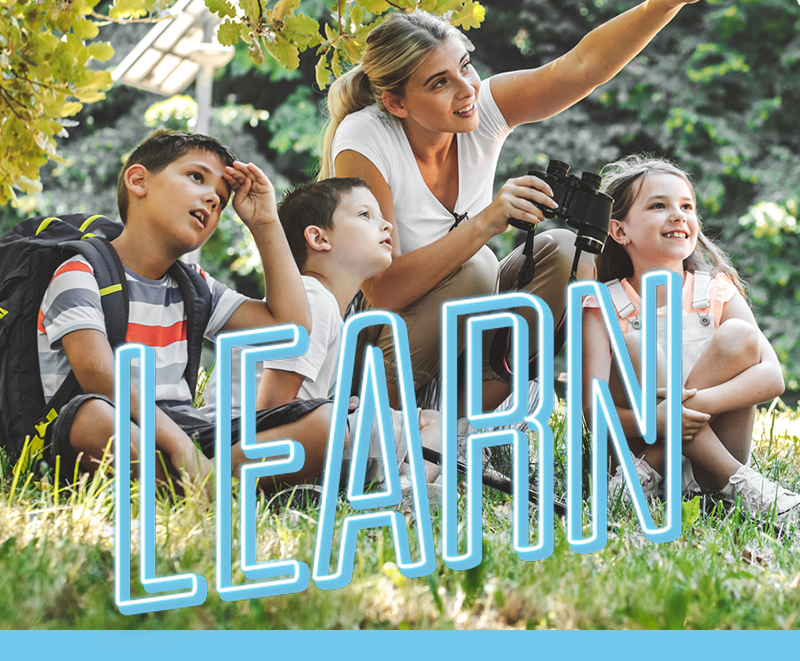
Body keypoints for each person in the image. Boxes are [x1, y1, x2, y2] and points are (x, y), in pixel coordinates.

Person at [320, 2, 702, 414]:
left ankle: (465, 426)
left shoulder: (478, 109)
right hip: (383, 350)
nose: (467, 89)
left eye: (465, 66)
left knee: (562, 251)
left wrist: (664, 4)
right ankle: (383, 427)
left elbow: (580, 67)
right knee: (478, 267)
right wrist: (485, 224)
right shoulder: (365, 138)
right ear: (397, 103)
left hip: (458, 343)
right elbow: (382, 289)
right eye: (439, 83)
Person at [37, 129, 333, 491]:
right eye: (196, 177)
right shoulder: (80, 272)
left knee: (327, 423)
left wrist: (265, 223)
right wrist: (180, 446)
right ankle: (215, 487)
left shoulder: (195, 288)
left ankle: (195, 485)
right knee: (94, 419)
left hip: (186, 431)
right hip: (111, 425)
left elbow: (290, 329)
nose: (211, 198)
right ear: (138, 180)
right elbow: (100, 375)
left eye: (221, 201)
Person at [581, 154, 800, 522]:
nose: (678, 214)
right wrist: (658, 421)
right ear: (620, 231)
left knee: (739, 336)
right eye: (658, 205)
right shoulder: (601, 304)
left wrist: (686, 412)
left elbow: (772, 378)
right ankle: (737, 484)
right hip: (640, 459)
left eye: (686, 206)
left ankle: (723, 482)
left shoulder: (716, 291)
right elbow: (592, 412)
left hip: (711, 466)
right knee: (637, 346)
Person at [210, 177, 443, 487]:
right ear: (318, 239)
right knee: (432, 422)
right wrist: (326, 413)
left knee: (412, 422)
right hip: (249, 443)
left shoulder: (322, 305)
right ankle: (404, 490)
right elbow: (269, 411)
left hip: (258, 435)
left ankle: (402, 486)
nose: (386, 225)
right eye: (365, 215)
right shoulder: (312, 300)